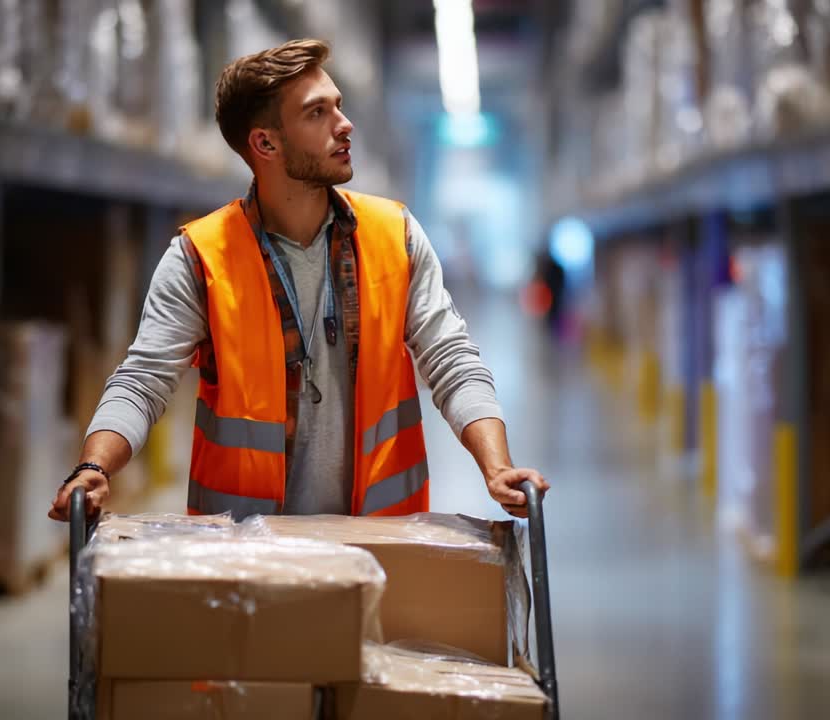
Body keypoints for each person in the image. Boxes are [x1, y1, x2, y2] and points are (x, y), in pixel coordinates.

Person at [49, 39, 548, 523]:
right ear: (265, 142)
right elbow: (144, 378)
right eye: (317, 113)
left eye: (339, 106)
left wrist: (496, 465)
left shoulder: (393, 235)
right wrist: (96, 466)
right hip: (248, 553)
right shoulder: (201, 256)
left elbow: (451, 358)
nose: (345, 124)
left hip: (377, 544)